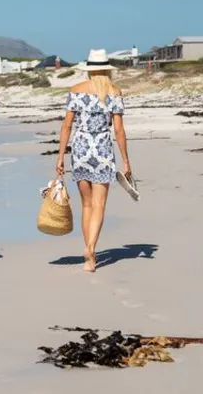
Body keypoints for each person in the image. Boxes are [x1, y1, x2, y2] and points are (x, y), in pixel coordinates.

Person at [56, 49, 131, 273]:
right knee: (99, 205)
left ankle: (88, 253)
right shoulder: (114, 92)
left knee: (86, 205)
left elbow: (67, 126)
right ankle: (90, 249)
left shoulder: (76, 91)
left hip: (80, 151)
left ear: (88, 70)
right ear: (107, 70)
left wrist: (60, 157)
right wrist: (126, 161)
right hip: (103, 151)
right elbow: (119, 130)